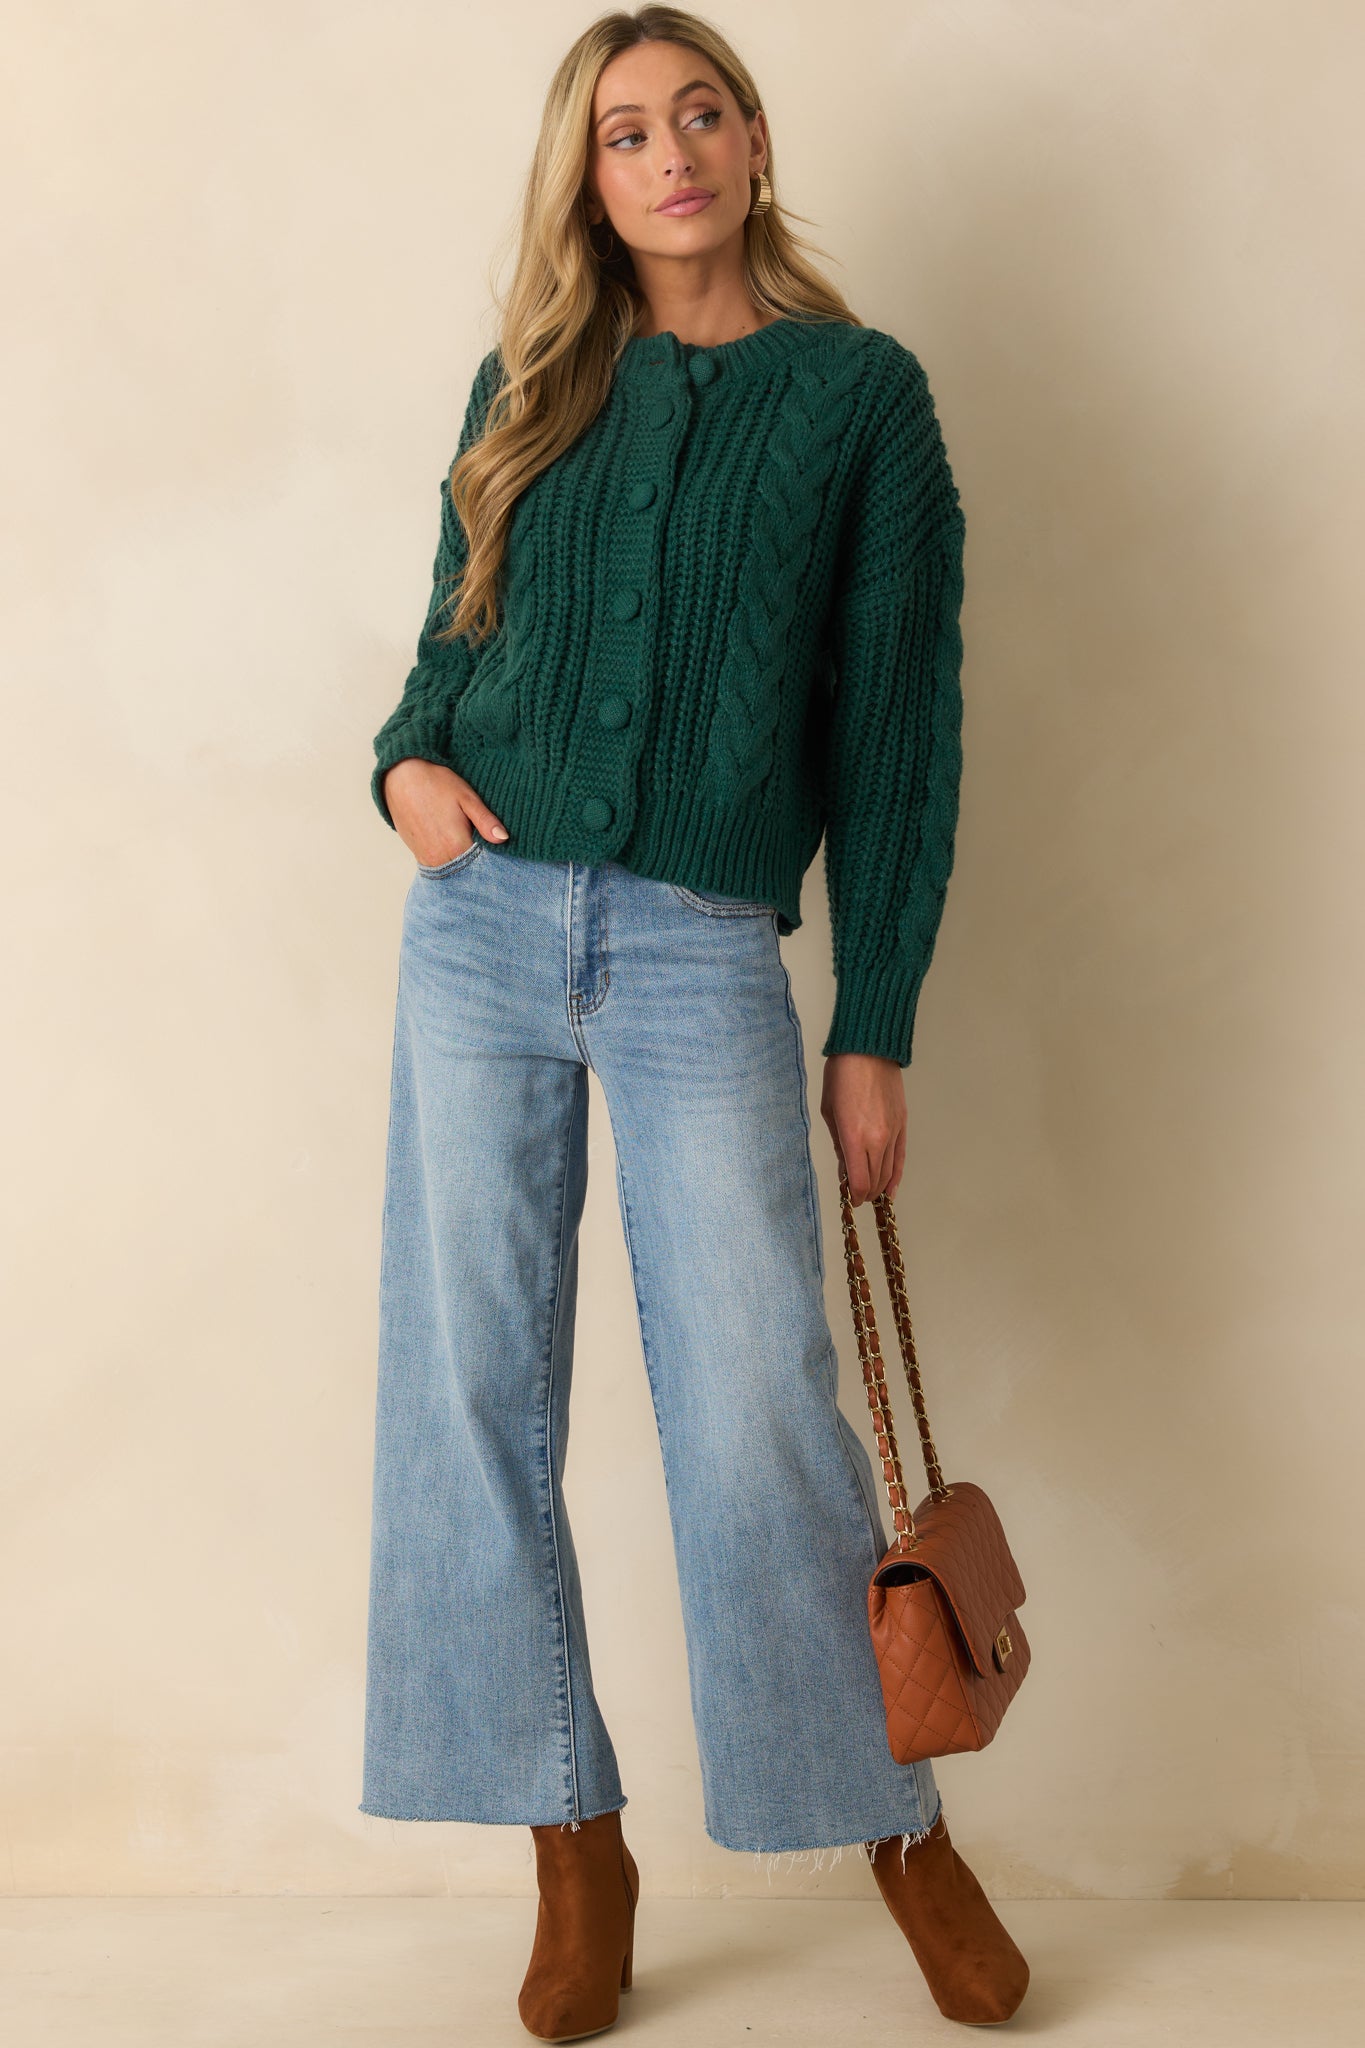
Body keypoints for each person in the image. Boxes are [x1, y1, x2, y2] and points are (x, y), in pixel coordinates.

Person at [358, 7, 1029, 2039]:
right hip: (479, 928)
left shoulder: (856, 396)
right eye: (624, 131)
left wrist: (871, 1018)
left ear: (751, 141)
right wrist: (403, 769)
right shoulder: (531, 376)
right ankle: (571, 1836)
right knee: (469, 1393)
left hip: (695, 949)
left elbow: (895, 733)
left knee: (752, 1404)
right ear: (586, 174)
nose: (667, 155)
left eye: (699, 114)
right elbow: (447, 634)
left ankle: (891, 1821)